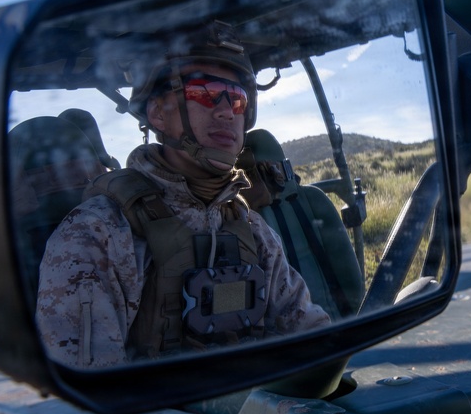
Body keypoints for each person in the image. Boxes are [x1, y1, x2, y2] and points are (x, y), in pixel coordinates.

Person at [35, 21, 331, 368]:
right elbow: (93, 389)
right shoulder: (99, 233)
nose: (226, 111)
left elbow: (313, 338)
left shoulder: (252, 228)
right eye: (205, 92)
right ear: (157, 113)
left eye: (237, 99)